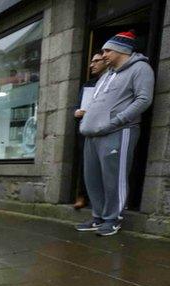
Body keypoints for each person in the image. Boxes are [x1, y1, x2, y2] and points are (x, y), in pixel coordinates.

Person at [78, 31, 155, 237]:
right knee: (92, 178)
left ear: (122, 50)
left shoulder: (140, 69)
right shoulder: (107, 75)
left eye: (107, 50)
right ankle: (98, 216)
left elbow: (143, 100)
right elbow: (95, 103)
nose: (103, 55)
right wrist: (87, 121)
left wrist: (115, 121)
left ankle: (113, 219)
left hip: (119, 131)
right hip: (92, 134)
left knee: (114, 177)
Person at [71, 53, 108, 210]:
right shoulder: (88, 85)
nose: (92, 64)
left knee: (105, 164)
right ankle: (82, 195)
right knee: (84, 164)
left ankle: (103, 200)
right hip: (86, 129)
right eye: (91, 61)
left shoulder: (112, 83)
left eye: (96, 61)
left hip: (106, 128)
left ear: (106, 62)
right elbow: (78, 106)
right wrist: (77, 112)